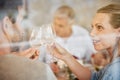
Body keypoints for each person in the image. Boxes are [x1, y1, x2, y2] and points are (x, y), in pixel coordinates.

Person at [48, 4, 120, 80]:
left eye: (99, 27)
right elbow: (93, 77)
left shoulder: (113, 72)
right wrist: (66, 56)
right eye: (93, 27)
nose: (91, 33)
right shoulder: (112, 65)